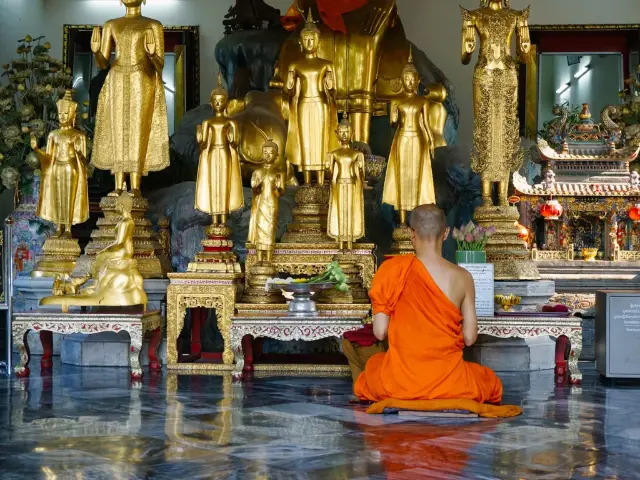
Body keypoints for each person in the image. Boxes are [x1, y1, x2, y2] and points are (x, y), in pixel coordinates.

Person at [343, 204, 503, 404]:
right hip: (450, 381)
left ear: (412, 233)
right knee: (489, 381)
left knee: (374, 366)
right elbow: (470, 338)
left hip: (401, 382)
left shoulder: (392, 270)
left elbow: (380, 332)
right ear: (445, 233)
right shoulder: (463, 277)